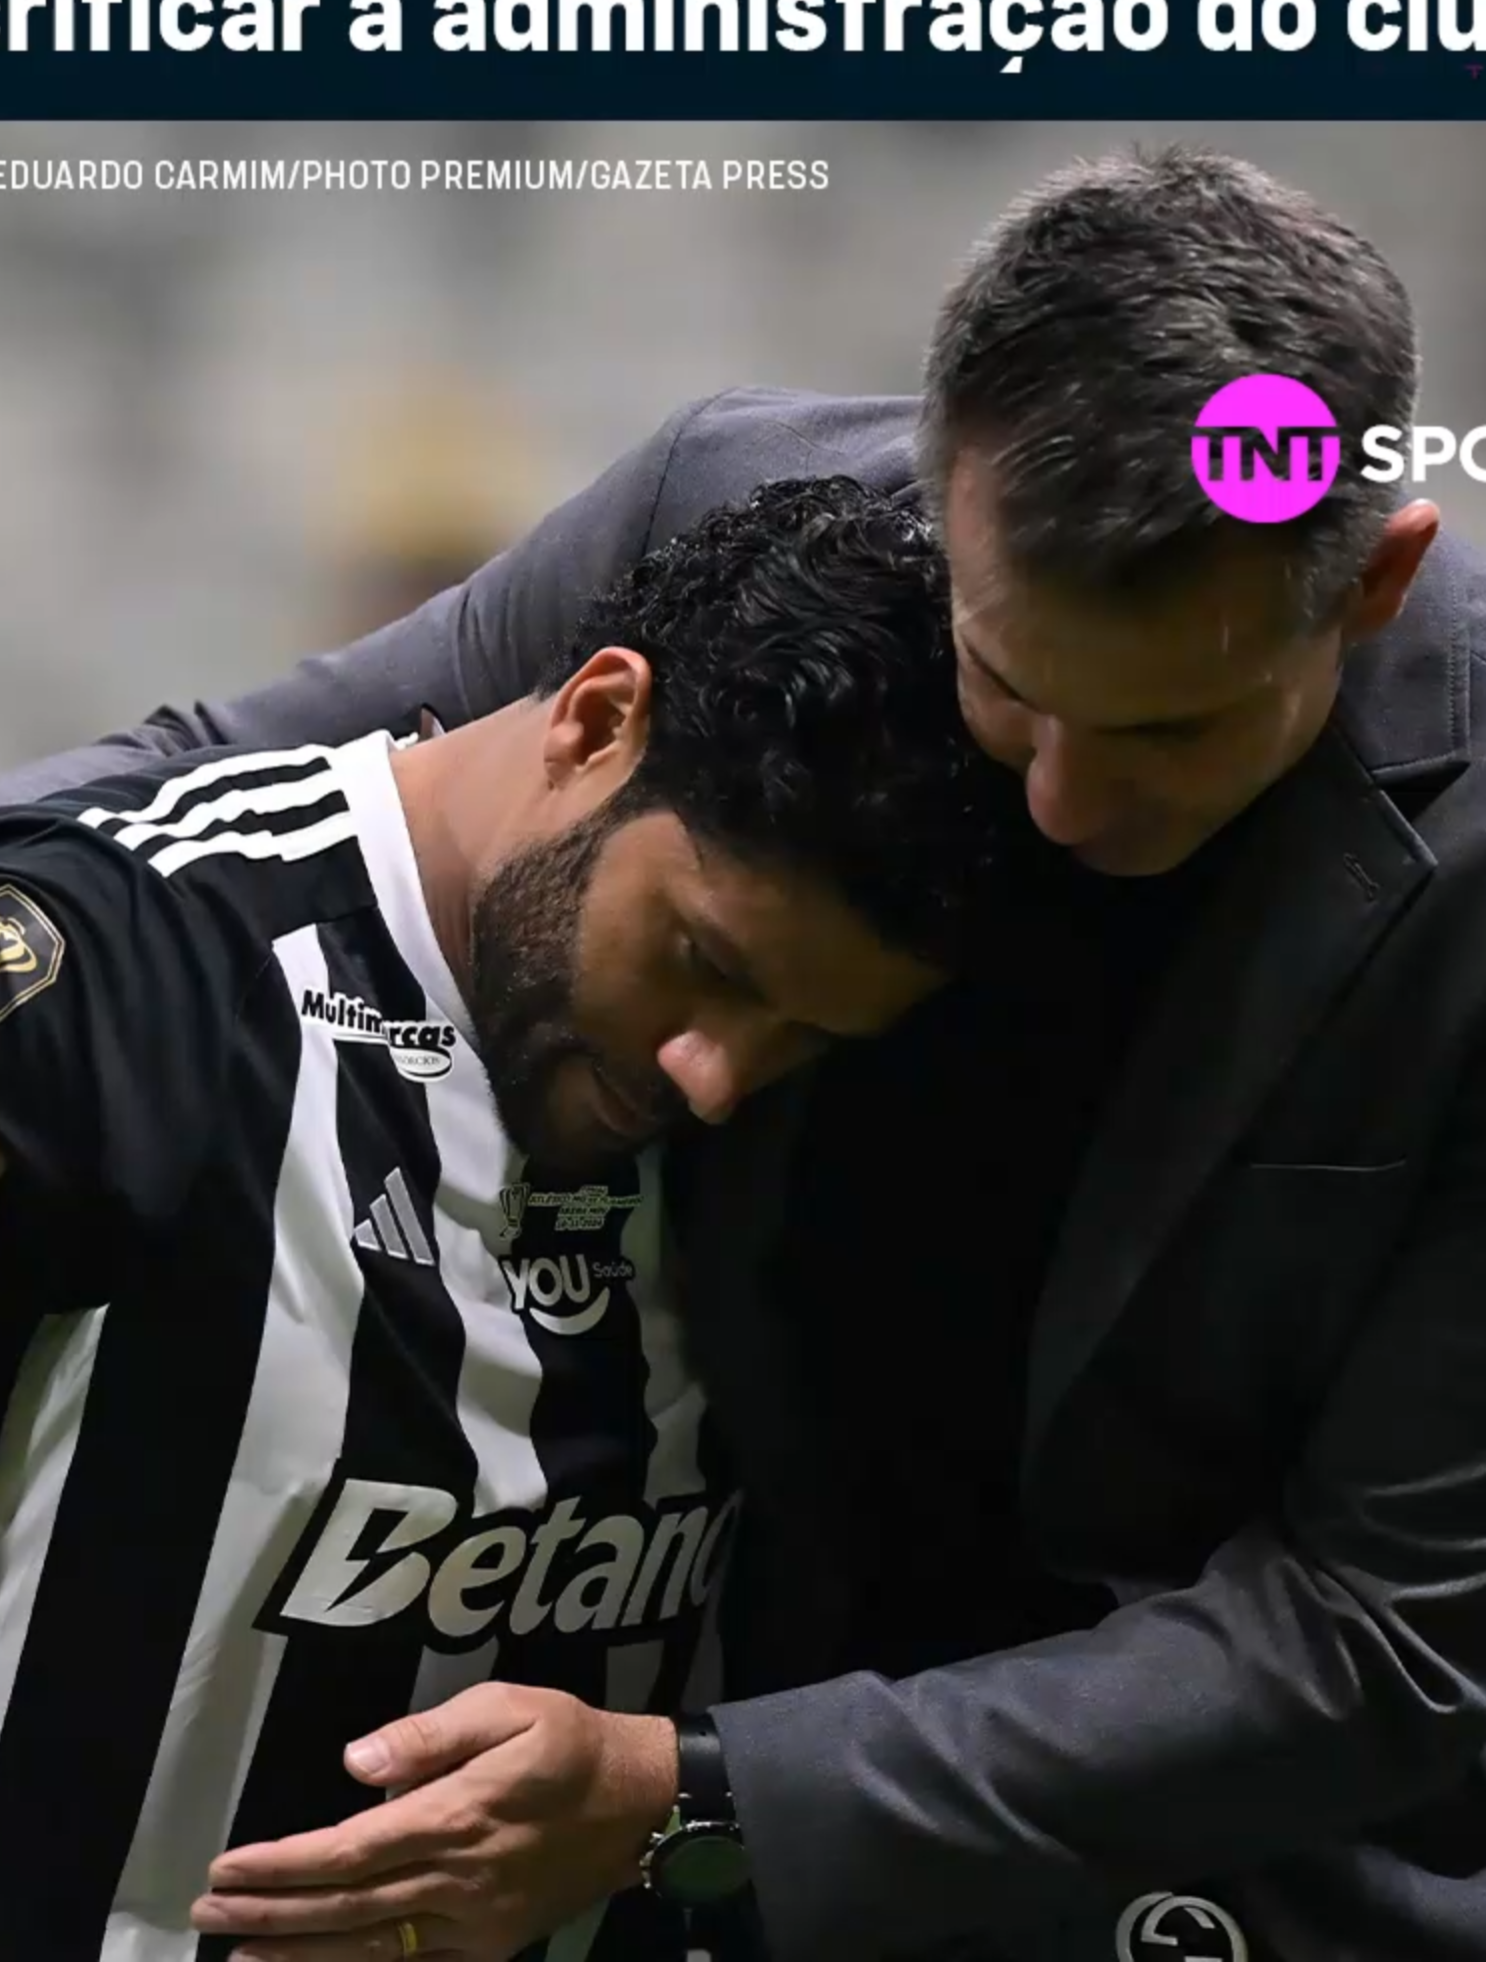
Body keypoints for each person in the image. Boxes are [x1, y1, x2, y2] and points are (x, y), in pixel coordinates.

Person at [7, 140, 1486, 1962]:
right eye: (1002, 684)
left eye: (1172, 730)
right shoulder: (750, 504)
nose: (1064, 799)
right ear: (938, 495)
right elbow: (197, 793)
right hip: (733, 1705)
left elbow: (1393, 1629)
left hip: (1248, 1862)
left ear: (1374, 579)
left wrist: (698, 1794)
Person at [0, 477, 1026, 1960]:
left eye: (808, 1034)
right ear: (596, 720)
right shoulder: (110, 976)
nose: (714, 1074)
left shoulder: (821, 1138)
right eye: (703, 962)